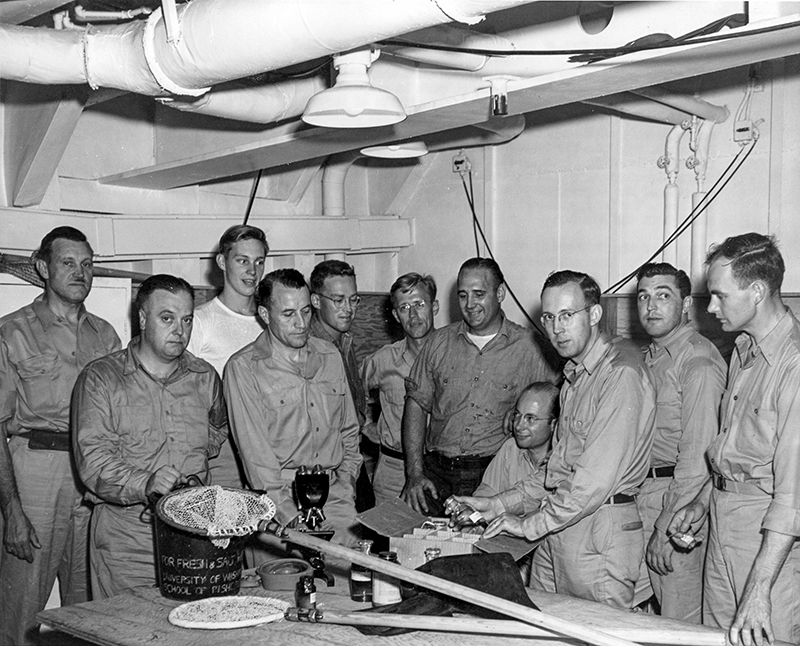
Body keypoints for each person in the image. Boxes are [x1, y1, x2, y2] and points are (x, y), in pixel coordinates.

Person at [474, 270, 656, 609]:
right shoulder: (575, 374)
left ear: (595, 314)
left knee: (596, 634)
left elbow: (590, 483)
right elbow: (556, 472)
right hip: (558, 528)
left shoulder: (620, 375)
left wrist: (530, 525)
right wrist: (499, 504)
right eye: (549, 317)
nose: (557, 328)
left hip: (597, 534)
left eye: (567, 315)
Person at [669, 233, 800, 646]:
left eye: (720, 296)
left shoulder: (793, 366)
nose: (709, 307)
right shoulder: (743, 350)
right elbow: (737, 449)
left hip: (766, 543)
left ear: (757, 291)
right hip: (723, 522)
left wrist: (760, 589)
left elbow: (793, 498)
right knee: (718, 639)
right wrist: (703, 500)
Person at [0, 227, 121, 645]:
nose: (80, 272)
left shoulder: (105, 335)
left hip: (93, 475)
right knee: (22, 605)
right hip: (35, 471)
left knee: (92, 604)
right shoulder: (11, 332)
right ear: (42, 267)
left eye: (87, 264)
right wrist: (12, 510)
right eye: (68, 262)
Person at [72, 274, 227, 599]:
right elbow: (93, 462)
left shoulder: (204, 378)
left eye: (187, 319)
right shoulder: (102, 379)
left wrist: (195, 456)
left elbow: (219, 427)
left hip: (193, 535)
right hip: (127, 538)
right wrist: (145, 482)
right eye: (167, 318)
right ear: (142, 318)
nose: (180, 330)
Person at [402, 257, 556, 516]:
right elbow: (416, 405)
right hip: (435, 475)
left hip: (494, 476)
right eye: (463, 295)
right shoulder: (438, 343)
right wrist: (414, 473)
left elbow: (555, 408)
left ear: (500, 293)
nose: (470, 304)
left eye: (479, 294)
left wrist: (519, 412)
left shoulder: (532, 348)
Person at [224, 268, 362, 555]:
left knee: (345, 592)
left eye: (305, 312)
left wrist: (346, 486)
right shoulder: (244, 368)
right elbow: (256, 458)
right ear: (264, 313)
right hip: (279, 508)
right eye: (288, 314)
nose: (301, 323)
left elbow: (349, 430)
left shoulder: (330, 356)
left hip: (336, 503)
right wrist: (290, 519)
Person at [634, 262, 725, 623]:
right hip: (644, 493)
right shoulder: (649, 358)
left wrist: (664, 526)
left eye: (663, 296)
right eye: (643, 297)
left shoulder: (697, 361)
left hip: (677, 503)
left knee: (679, 622)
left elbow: (698, 458)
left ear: (686, 305)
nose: (650, 306)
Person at [187, 224, 268, 488]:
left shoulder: (269, 323)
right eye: (242, 261)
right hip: (223, 451)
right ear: (222, 262)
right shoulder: (201, 320)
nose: (252, 271)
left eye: (259, 262)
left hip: (268, 445)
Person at [360, 273, 439, 506]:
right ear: (395, 315)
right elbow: (351, 390)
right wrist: (366, 426)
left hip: (439, 470)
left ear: (434, 307)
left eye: (419, 305)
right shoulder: (383, 360)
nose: (413, 315)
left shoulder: (454, 354)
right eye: (404, 308)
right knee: (390, 540)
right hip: (393, 472)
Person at [309, 260, 374, 510]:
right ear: (316, 301)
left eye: (353, 299)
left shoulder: (344, 340)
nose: (348, 309)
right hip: (327, 469)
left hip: (350, 459)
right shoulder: (311, 349)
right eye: (338, 300)